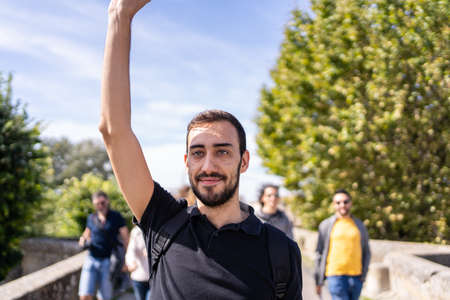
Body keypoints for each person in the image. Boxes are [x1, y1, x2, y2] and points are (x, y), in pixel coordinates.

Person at [98, 1, 303, 299]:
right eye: (198, 153)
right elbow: (113, 131)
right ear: (187, 162)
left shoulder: (280, 251)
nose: (208, 165)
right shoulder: (164, 223)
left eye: (222, 151)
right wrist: (119, 15)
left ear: (243, 161)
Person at [314, 189, 371, 300]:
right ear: (333, 204)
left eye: (345, 202)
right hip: (335, 276)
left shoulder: (359, 225)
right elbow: (319, 253)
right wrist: (318, 280)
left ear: (350, 203)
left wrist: (363, 275)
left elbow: (366, 251)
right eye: (338, 202)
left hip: (356, 277)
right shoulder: (326, 225)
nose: (342, 205)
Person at [78, 191, 129, 300]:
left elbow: (125, 238)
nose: (100, 206)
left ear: (107, 201)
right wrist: (82, 240)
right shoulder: (91, 218)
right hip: (91, 258)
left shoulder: (116, 217)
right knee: (84, 294)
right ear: (94, 205)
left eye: (102, 203)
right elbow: (87, 233)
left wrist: (126, 259)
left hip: (108, 261)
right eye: (97, 204)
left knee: (104, 297)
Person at [126, 226, 150, 300]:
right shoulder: (136, 231)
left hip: (153, 277)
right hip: (139, 276)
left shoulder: (157, 229)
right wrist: (131, 263)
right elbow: (130, 251)